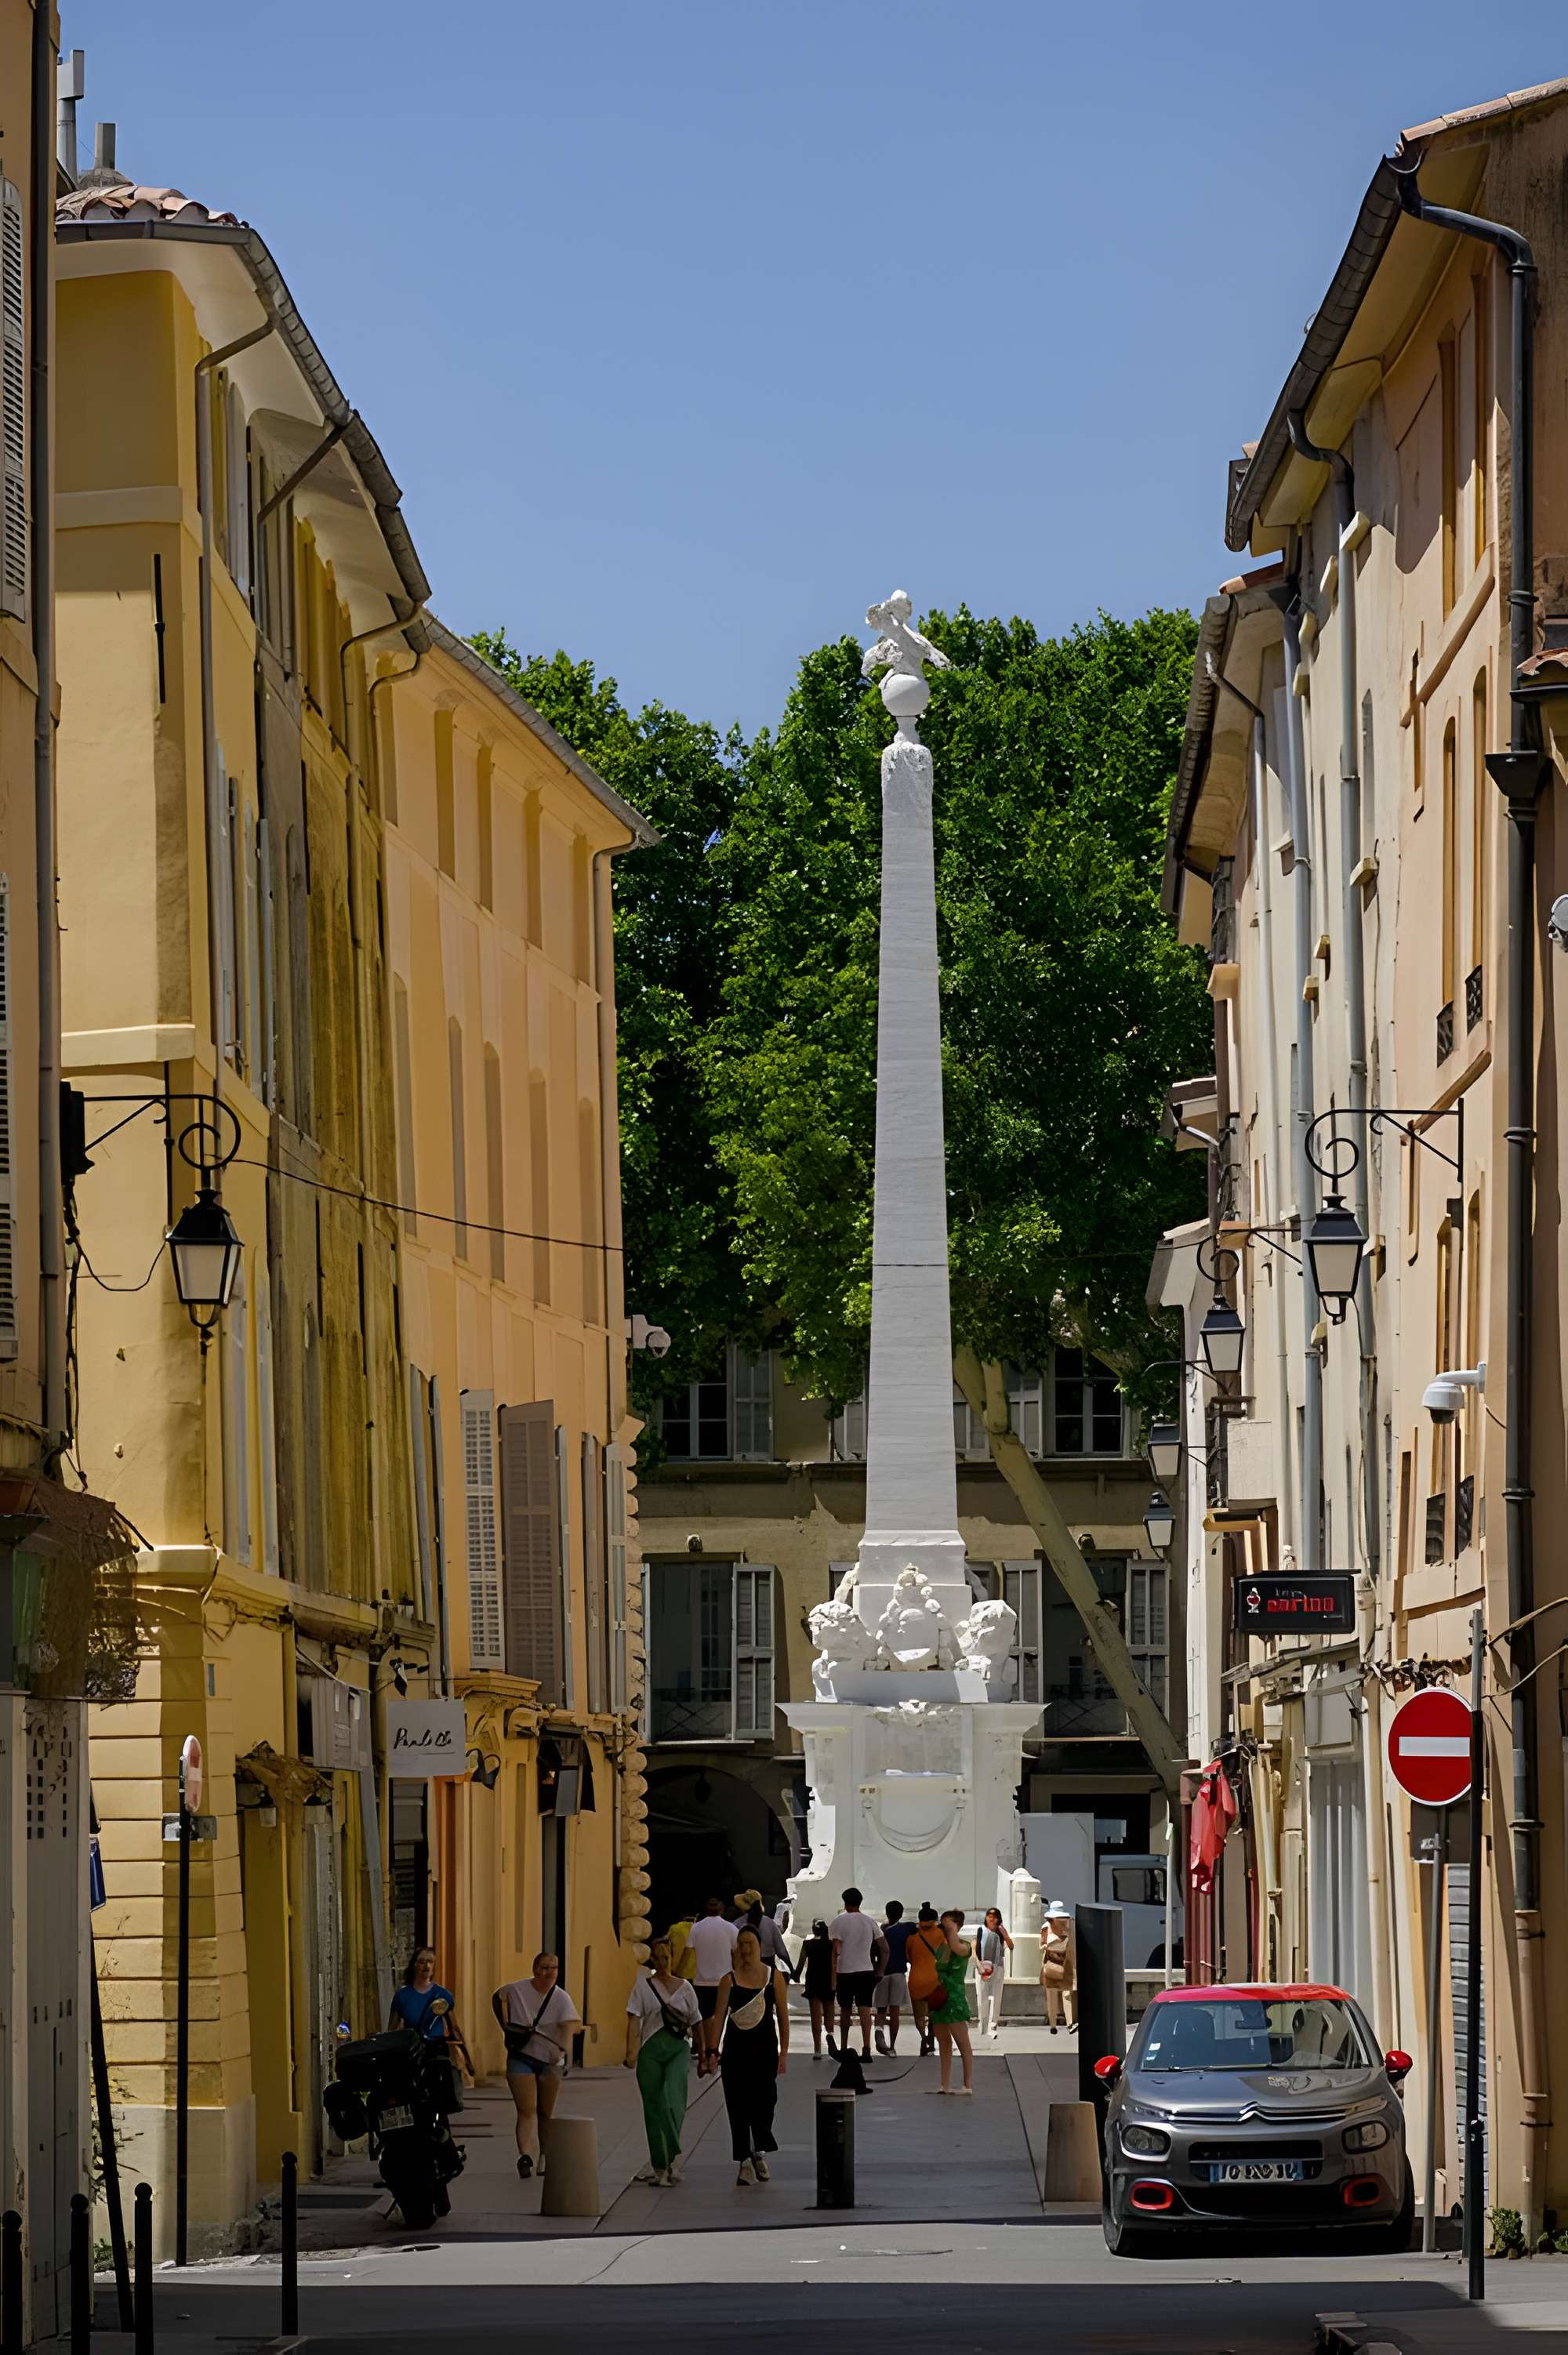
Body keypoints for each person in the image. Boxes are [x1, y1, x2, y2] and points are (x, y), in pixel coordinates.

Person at [714, 1923, 789, 2187]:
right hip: (736, 2051)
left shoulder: (774, 1978)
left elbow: (782, 2016)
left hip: (765, 2048)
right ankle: (744, 2160)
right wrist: (712, 2050)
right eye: (742, 1944)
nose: (746, 1949)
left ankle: (759, 2151)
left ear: (760, 1948)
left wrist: (784, 2054)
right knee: (737, 2105)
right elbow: (719, 2017)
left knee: (765, 2101)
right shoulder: (729, 1980)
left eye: (751, 1944)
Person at [493, 1952, 579, 2178]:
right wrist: (506, 2026)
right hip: (521, 2056)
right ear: (535, 1969)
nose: (550, 1972)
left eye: (554, 1968)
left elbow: (569, 2028)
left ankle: (545, 2156)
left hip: (550, 2062)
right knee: (526, 2110)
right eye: (545, 1967)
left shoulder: (561, 1998)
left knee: (545, 2112)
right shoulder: (517, 1989)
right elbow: (498, 1997)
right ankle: (526, 2156)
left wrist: (563, 2053)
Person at [624, 1937, 701, 2186]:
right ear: (653, 1960)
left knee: (672, 2101)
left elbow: (696, 2020)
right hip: (650, 2050)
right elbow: (634, 2019)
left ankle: (672, 2157)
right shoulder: (643, 1987)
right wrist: (631, 2052)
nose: (664, 1961)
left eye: (667, 1956)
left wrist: (707, 2051)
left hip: (677, 2048)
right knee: (653, 2107)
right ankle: (660, 2164)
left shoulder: (685, 1988)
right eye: (659, 1957)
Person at [828, 1887, 884, 2063]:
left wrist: (833, 1978)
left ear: (845, 1903)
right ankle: (867, 2049)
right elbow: (884, 1948)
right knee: (865, 2010)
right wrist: (880, 1970)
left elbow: (836, 1951)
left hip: (844, 1970)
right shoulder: (869, 1922)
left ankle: (844, 2048)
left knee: (845, 2010)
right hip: (866, 1970)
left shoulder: (838, 1922)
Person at [687, 1896, 739, 2075]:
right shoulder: (731, 1929)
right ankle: (714, 2053)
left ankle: (705, 2053)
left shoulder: (696, 1928)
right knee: (720, 2019)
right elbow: (736, 1954)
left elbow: (690, 1952)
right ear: (722, 1910)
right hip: (724, 1981)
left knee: (703, 2019)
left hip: (701, 1980)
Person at [927, 1910, 975, 2095]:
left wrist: (951, 1930)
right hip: (938, 1998)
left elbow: (956, 1948)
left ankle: (967, 2084)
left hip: (954, 1999)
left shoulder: (964, 1946)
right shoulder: (941, 1947)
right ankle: (945, 2084)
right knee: (943, 2042)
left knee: (962, 2042)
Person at [873, 1900, 914, 2055]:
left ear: (886, 1912)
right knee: (895, 2010)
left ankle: (879, 2029)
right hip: (899, 1973)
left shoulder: (881, 1931)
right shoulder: (906, 1929)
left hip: (883, 1974)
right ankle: (892, 2046)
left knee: (881, 2009)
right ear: (901, 1913)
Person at [906, 1903, 946, 2056]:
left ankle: (923, 2038)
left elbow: (908, 1958)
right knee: (934, 2013)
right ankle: (931, 2037)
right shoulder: (941, 1936)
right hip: (935, 1980)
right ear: (935, 1920)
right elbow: (945, 1957)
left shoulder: (912, 1938)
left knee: (919, 2015)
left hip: (916, 1980)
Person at [975, 1905, 1014, 2041]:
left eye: (994, 1916)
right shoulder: (981, 1930)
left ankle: (993, 2024)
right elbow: (977, 1947)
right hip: (983, 1966)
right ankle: (983, 2023)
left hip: (998, 1966)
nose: (991, 1918)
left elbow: (1011, 1946)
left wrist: (1005, 1935)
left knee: (996, 1996)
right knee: (982, 1995)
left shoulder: (1000, 1931)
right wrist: (979, 1965)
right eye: (989, 1915)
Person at [797, 1918, 835, 2056]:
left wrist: (794, 1976)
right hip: (828, 1981)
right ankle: (831, 2040)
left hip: (813, 1981)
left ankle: (817, 2050)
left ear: (813, 1930)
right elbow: (835, 1963)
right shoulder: (831, 1944)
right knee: (829, 2014)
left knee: (816, 2017)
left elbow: (801, 1964)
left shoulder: (808, 1944)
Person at [1040, 1900, 1077, 2032]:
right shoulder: (1046, 1927)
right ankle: (1053, 2024)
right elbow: (1041, 1945)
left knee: (1067, 1993)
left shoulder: (1069, 1926)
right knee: (1051, 1996)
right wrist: (1048, 1946)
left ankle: (1070, 2023)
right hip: (1051, 1962)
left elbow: (1072, 1946)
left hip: (1066, 1962)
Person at [739, 1895, 792, 1972]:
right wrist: (791, 1969)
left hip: (746, 1967)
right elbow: (781, 1952)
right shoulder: (769, 1923)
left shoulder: (737, 1924)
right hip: (767, 1967)